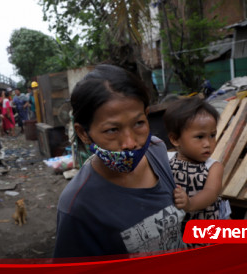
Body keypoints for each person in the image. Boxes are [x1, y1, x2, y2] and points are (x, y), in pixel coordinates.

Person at [53, 64, 185, 258]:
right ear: (84, 133)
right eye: (112, 130)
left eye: (139, 123)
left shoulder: (156, 150)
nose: (130, 143)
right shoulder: (77, 207)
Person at [163, 97, 228, 233]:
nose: (208, 143)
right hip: (174, 227)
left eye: (212, 135)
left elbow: (211, 192)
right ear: (175, 139)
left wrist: (190, 203)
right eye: (200, 137)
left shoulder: (213, 167)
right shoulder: (166, 159)